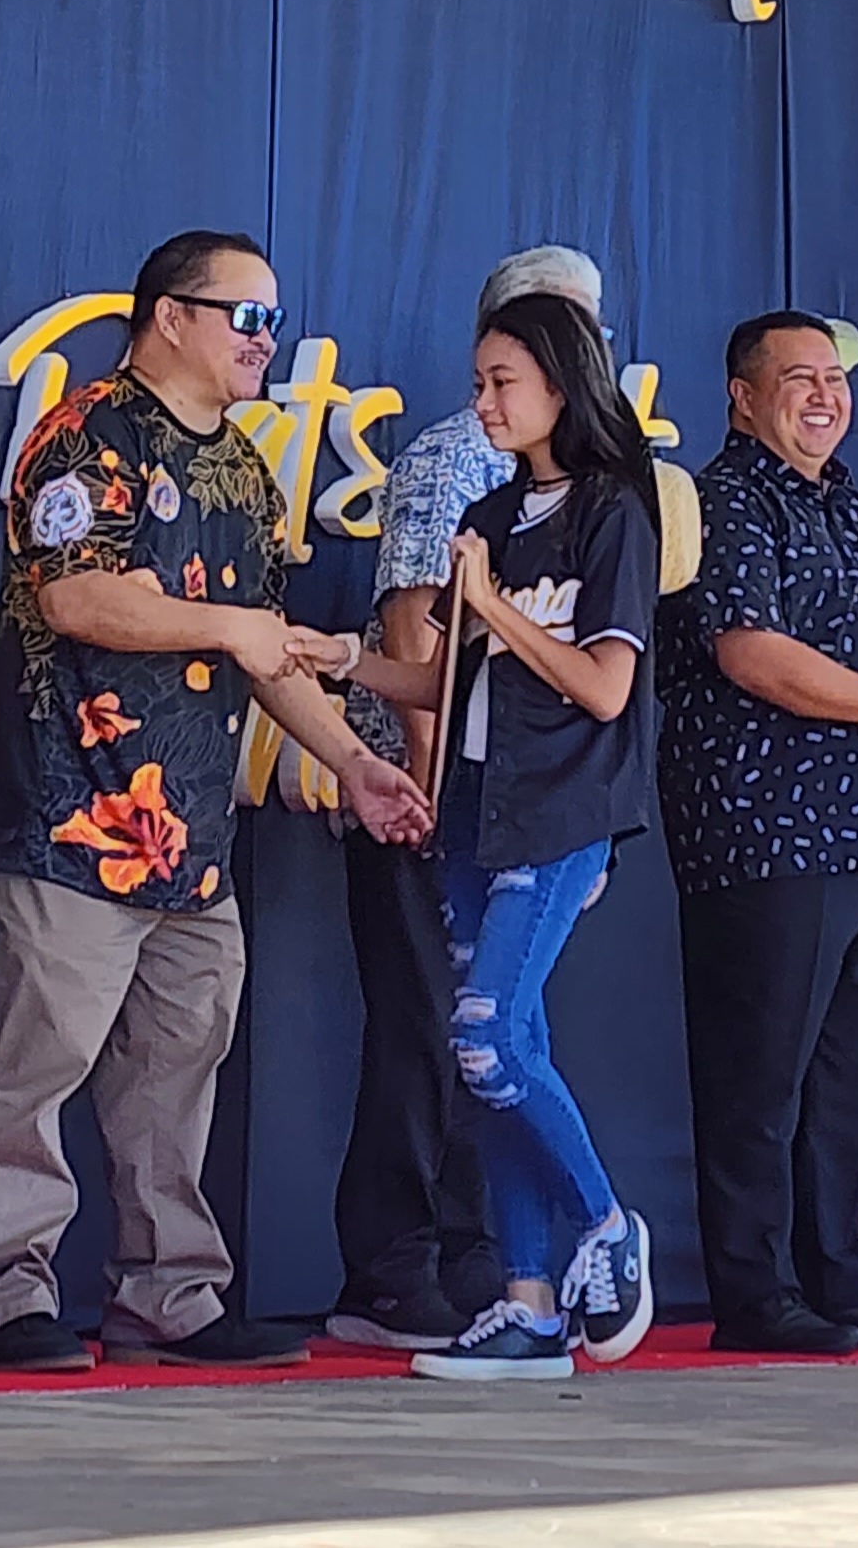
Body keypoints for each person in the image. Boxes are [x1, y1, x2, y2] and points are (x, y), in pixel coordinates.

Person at [0, 232, 434, 1374]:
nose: (264, 341)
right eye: (244, 316)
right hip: (70, 814)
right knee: (35, 1063)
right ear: (169, 315)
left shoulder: (250, 472)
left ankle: (167, 1290)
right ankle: (7, 1292)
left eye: (273, 320)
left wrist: (351, 761)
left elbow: (266, 652)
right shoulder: (86, 432)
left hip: (194, 836)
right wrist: (221, 625)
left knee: (176, 1068)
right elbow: (75, 596)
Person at [661, 313, 858, 1355]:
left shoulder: (856, 508)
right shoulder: (727, 500)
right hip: (770, 831)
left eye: (832, 377)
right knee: (758, 1077)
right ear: (740, 396)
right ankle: (752, 1293)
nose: (821, 393)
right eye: (794, 376)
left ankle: (835, 1281)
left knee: (845, 1081)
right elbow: (748, 648)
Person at [325, 245, 599, 1354]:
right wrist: (436, 793)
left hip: (522, 808)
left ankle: (489, 1266)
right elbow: (411, 630)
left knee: (491, 1038)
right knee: (428, 1036)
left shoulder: (580, 493)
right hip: (431, 797)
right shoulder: (453, 457)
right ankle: (394, 1269)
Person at [410, 293, 664, 1383]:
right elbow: (452, 679)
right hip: (475, 803)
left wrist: (492, 604)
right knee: (495, 1055)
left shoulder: (611, 510)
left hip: (559, 808)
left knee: (485, 1033)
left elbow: (605, 688)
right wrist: (324, 658)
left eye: (499, 380)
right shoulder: (497, 511)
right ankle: (523, 1301)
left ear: (561, 382)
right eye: (475, 380)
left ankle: (606, 1226)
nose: (481, 401)